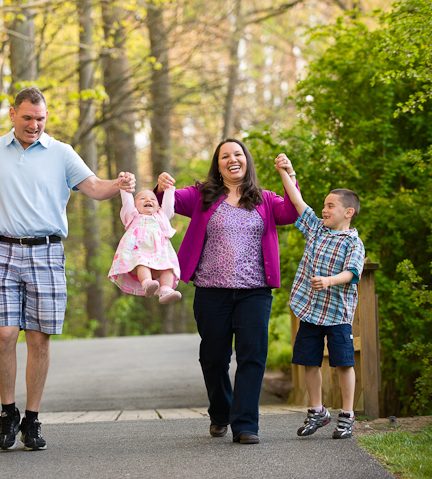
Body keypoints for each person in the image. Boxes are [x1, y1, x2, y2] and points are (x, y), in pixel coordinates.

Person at [0, 87, 135, 451]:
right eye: (28, 117)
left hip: (47, 252)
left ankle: (31, 419)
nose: (34, 124)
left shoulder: (61, 153)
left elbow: (94, 187)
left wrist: (120, 184)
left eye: (40, 118)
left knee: (39, 339)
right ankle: (7, 413)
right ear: (12, 113)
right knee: (4, 334)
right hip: (0, 249)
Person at [156, 139, 299, 444]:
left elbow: (292, 212)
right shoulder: (201, 196)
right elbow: (164, 204)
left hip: (254, 292)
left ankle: (245, 424)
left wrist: (289, 175)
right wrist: (162, 187)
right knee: (213, 358)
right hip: (211, 291)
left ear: (247, 160)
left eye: (238, 154)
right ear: (218, 164)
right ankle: (220, 412)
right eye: (225, 156)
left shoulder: (266, 199)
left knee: (253, 356)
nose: (232, 159)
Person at [275, 154, 366, 440]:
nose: (324, 209)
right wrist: (285, 172)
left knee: (343, 363)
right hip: (310, 311)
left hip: (338, 314)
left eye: (330, 205)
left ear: (347, 212)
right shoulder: (316, 229)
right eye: (324, 205)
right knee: (308, 361)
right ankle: (317, 411)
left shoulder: (353, 242)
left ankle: (347, 415)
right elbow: (298, 201)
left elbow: (352, 273)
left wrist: (328, 280)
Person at [108, 185, 182, 303]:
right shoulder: (132, 216)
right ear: (135, 205)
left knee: (168, 267)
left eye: (153, 199)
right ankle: (147, 283)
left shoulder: (161, 217)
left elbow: (168, 206)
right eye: (142, 198)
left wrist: (168, 189)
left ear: (158, 206)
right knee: (142, 262)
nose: (148, 200)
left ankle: (165, 290)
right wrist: (124, 186)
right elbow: (127, 202)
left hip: (159, 254)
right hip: (139, 252)